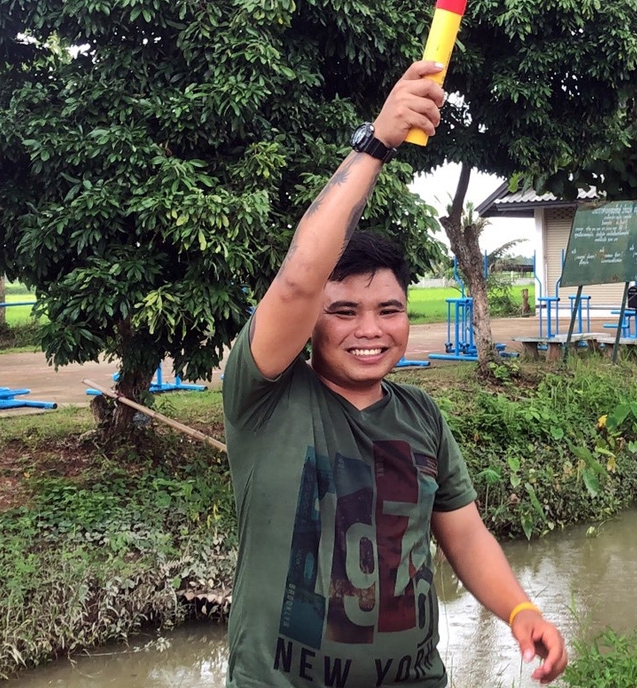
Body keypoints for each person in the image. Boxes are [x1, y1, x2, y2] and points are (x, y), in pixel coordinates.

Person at [222, 60, 568, 687]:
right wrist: (377, 141)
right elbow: (302, 274)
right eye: (344, 312)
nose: (369, 330)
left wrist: (520, 609)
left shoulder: (421, 418)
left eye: (389, 310)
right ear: (309, 324)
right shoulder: (265, 396)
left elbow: (463, 535)